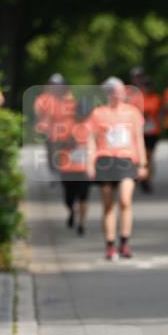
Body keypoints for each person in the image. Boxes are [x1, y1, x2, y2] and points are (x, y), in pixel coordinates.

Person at [86, 77, 147, 260]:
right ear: (108, 93)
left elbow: (139, 138)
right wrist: (90, 164)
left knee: (125, 200)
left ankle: (125, 242)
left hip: (126, 160)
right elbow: (91, 140)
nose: (119, 94)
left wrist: (143, 163)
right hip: (105, 160)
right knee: (108, 205)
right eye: (115, 91)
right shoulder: (98, 113)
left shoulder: (133, 113)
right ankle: (110, 244)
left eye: (121, 91)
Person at [57, 98, 91, 235]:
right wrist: (68, 142)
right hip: (68, 168)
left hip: (85, 168)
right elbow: (57, 143)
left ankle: (81, 223)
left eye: (84, 113)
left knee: (83, 197)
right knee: (68, 198)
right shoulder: (66, 124)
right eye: (79, 112)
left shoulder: (92, 125)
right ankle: (71, 211)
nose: (82, 115)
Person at [33, 73, 76, 174]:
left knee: (65, 152)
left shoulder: (67, 97)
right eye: (54, 84)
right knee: (52, 152)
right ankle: (54, 171)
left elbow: (73, 113)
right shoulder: (43, 98)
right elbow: (39, 114)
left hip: (66, 131)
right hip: (50, 131)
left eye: (59, 85)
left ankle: (64, 171)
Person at [139, 76, 162, 193]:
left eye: (149, 85)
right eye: (145, 85)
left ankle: (148, 179)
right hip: (140, 131)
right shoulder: (137, 98)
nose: (147, 88)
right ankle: (143, 176)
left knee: (149, 155)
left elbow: (159, 112)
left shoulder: (156, 98)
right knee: (141, 156)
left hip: (152, 131)